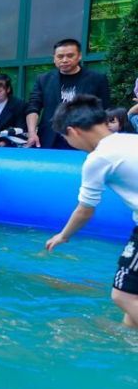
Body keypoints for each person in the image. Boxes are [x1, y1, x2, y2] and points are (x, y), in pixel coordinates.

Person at [44, 96, 138, 326]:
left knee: (122, 295)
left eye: (66, 139)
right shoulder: (129, 141)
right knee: (132, 295)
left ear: (72, 132)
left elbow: (85, 210)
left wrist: (63, 235)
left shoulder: (99, 158)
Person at [26, 38, 110, 149]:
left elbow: (105, 110)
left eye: (70, 56)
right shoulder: (43, 79)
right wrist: (32, 132)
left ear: (79, 56)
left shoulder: (97, 78)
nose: (64, 60)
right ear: (54, 59)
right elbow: (33, 107)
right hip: (50, 138)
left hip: (84, 137)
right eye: (60, 56)